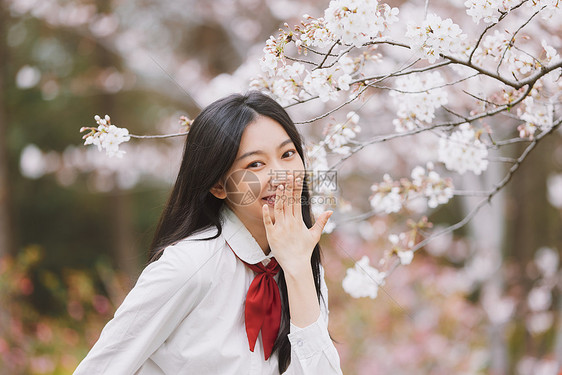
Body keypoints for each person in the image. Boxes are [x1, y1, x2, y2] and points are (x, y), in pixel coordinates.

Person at [73, 91, 343, 374]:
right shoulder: (187, 266)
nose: (281, 176)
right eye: (255, 164)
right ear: (218, 186)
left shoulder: (301, 265)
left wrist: (298, 271)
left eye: (288, 154)